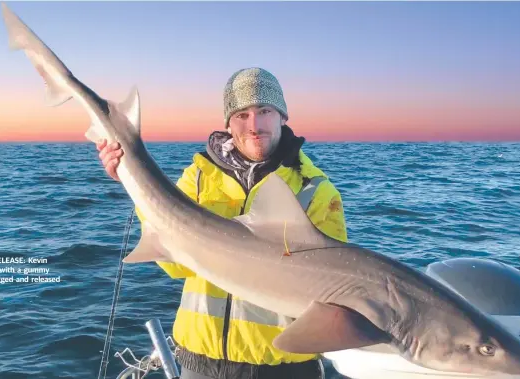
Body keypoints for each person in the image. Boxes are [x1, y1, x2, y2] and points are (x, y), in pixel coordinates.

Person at [97, 67, 348, 379]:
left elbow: (337, 295)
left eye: (265, 111)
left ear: (283, 116)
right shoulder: (198, 177)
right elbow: (177, 266)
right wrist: (130, 177)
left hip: (284, 368)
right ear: (228, 122)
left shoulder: (316, 190)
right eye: (242, 114)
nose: (254, 125)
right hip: (199, 361)